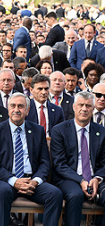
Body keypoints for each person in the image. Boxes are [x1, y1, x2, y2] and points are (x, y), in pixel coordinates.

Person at [0, 92, 63, 226]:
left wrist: (36, 181)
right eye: (13, 106)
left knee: (55, 194)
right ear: (7, 108)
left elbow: (45, 162)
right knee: (2, 191)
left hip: (31, 180)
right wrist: (14, 181)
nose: (16, 110)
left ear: (27, 110)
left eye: (21, 106)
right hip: (5, 180)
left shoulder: (38, 130)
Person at [50, 91, 105, 226]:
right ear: (74, 106)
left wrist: (97, 179)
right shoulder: (59, 130)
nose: (84, 109)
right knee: (75, 195)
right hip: (68, 178)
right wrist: (80, 180)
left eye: (88, 106)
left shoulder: (102, 131)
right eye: (81, 105)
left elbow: (104, 162)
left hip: (95, 178)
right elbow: (59, 164)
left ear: (93, 109)